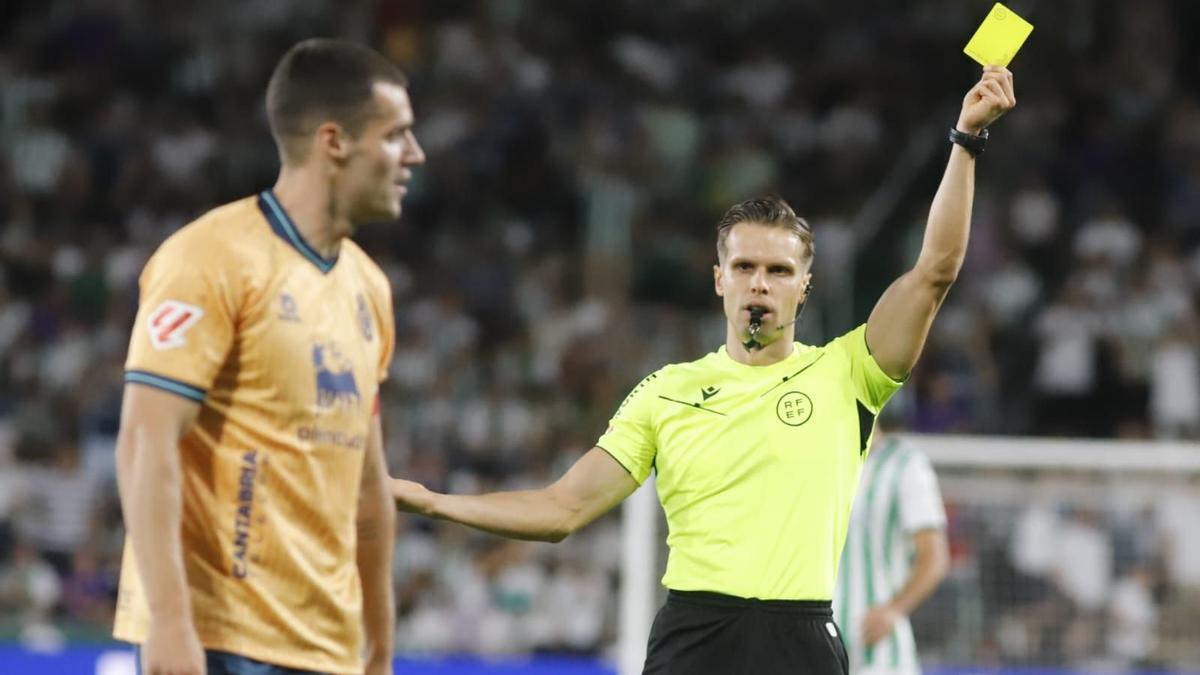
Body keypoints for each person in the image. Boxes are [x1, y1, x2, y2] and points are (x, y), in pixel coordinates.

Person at [391, 67, 1015, 674]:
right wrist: (433, 503)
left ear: (805, 287)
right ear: (719, 279)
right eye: (744, 267)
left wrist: (965, 140)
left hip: (801, 640)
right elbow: (562, 510)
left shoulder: (850, 372)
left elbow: (934, 270)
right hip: (694, 638)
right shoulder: (665, 392)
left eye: (778, 272)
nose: (759, 284)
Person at [113, 39, 425, 675]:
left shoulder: (369, 289)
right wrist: (171, 628)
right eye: (396, 136)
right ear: (334, 142)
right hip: (224, 641)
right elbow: (146, 441)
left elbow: (367, 488)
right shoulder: (210, 259)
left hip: (330, 652)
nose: (414, 155)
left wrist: (381, 647)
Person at [833, 431, 949, 675]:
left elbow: (934, 555)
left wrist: (894, 609)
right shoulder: (818, 460)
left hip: (878, 648)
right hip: (816, 640)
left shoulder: (904, 464)